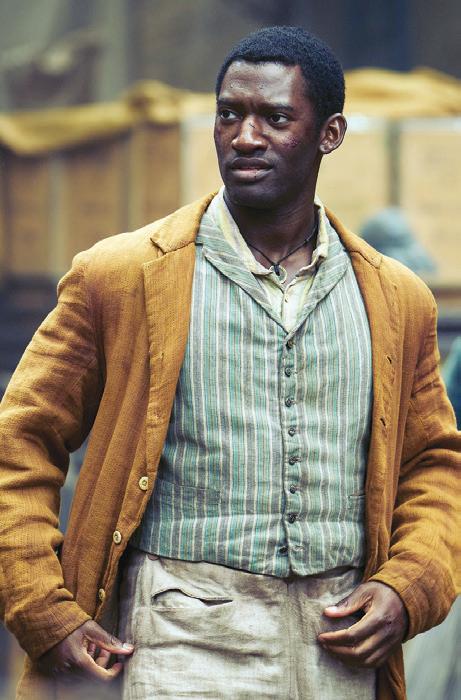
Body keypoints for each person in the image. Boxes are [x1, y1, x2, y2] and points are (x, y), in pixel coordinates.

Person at [0, 26, 459, 700]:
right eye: (229, 115)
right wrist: (43, 606)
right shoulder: (122, 277)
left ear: (329, 134)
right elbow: (19, 439)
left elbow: (434, 464)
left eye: (275, 118)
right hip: (180, 640)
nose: (245, 137)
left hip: (339, 646)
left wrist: (409, 584)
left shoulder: (395, 298)